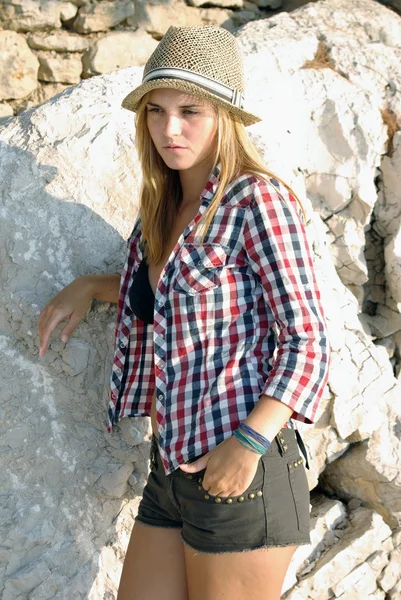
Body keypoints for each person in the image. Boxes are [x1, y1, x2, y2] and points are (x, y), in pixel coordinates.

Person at [38, 25, 330, 600]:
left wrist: (247, 443)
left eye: (190, 110)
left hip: (243, 470)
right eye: (156, 110)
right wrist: (95, 286)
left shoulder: (255, 201)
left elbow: (308, 340)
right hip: (170, 467)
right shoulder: (163, 209)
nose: (169, 128)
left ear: (225, 114)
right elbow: (182, 298)